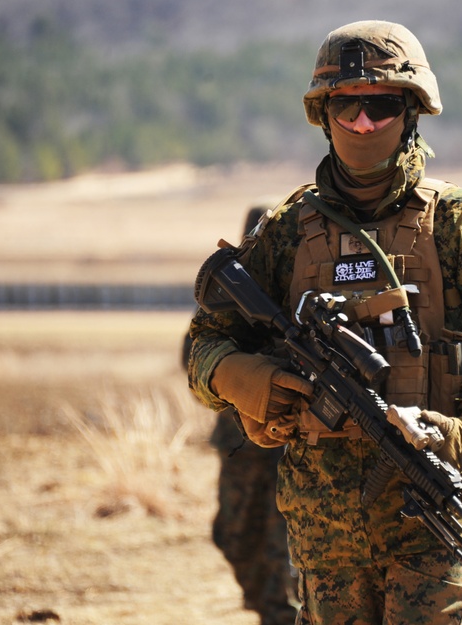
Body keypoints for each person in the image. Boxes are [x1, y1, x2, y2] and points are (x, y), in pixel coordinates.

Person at [187, 20, 462, 624]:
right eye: (347, 106)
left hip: (435, 524)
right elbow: (206, 344)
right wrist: (252, 382)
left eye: (382, 105)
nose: (364, 123)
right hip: (323, 539)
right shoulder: (287, 232)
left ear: (412, 111)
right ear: (323, 111)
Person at [181, 204, 299, 625]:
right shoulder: (227, 303)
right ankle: (267, 605)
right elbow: (195, 360)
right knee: (233, 535)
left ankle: (281, 613)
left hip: (290, 445)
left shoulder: (302, 300)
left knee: (282, 545)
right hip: (240, 445)